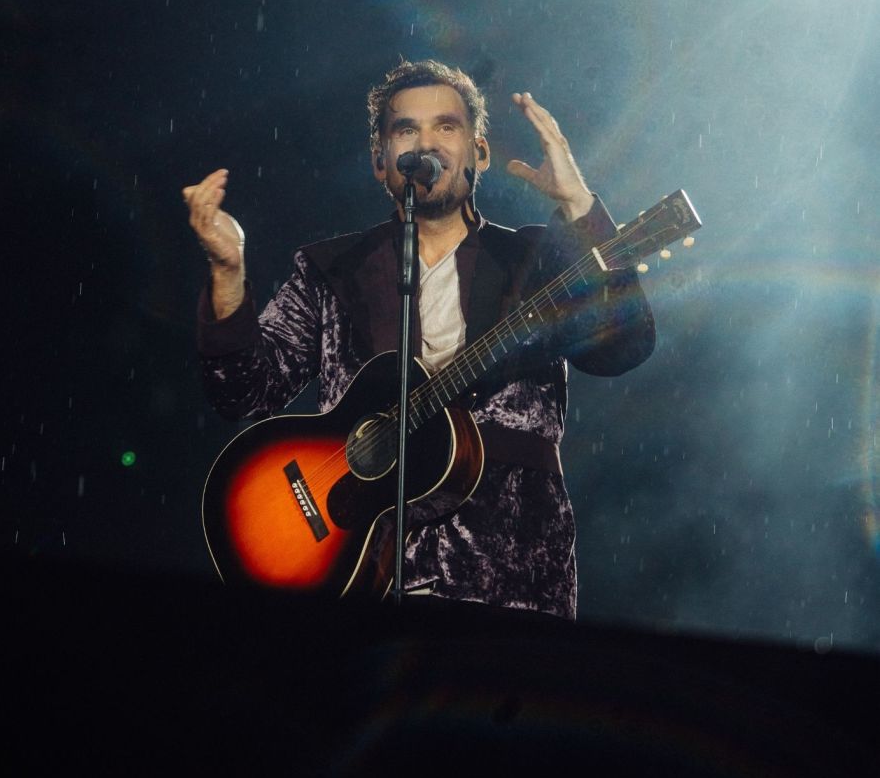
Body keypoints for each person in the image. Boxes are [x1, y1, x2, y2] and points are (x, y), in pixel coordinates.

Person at [183, 60, 655, 620]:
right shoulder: (330, 268)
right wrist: (228, 272)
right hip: (355, 565)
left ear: (478, 153)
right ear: (380, 162)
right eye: (405, 130)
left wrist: (578, 207)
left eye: (446, 127)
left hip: (512, 577)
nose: (424, 142)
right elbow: (242, 392)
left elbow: (622, 347)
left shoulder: (535, 259)